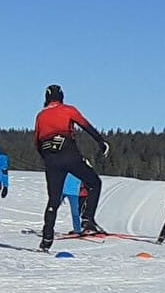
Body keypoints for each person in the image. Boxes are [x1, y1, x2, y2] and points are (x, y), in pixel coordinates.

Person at [33, 84, 110, 250]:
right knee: (94, 182)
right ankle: (87, 218)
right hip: (69, 153)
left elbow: (37, 142)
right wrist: (101, 141)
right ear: (61, 97)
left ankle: (47, 238)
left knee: (53, 200)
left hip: (50, 158)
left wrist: (46, 159)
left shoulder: (40, 116)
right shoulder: (68, 110)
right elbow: (85, 125)